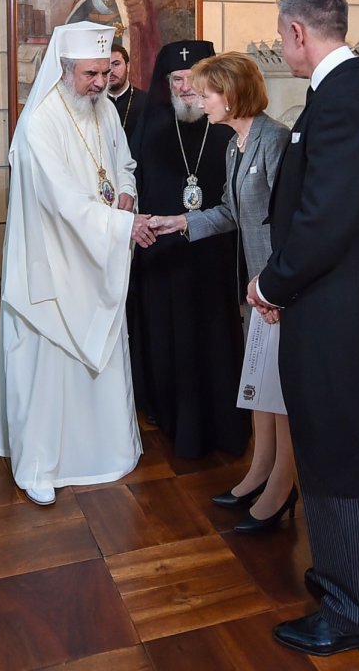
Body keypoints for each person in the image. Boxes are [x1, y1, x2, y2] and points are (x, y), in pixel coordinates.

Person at [247, 0, 359, 655]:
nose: (281, 46)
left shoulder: (345, 99)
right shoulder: (343, 91)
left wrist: (270, 283)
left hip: (340, 312)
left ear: (296, 32)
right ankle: (345, 578)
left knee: (341, 453)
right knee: (329, 445)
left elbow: (324, 222)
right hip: (335, 305)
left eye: (280, 36)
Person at [0, 22, 153, 506]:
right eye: (90, 74)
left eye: (105, 72)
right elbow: (61, 201)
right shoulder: (41, 123)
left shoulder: (104, 109)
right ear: (64, 70)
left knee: (102, 351)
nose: (101, 83)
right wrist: (122, 226)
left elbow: (124, 164)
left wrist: (126, 192)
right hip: (54, 261)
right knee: (52, 361)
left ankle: (107, 450)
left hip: (96, 254)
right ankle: (41, 465)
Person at [146, 52, 295, 532]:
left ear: (230, 95)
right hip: (255, 288)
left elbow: (291, 223)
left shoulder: (275, 140)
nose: (198, 100)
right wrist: (179, 222)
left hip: (277, 291)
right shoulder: (234, 145)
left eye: (206, 92)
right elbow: (231, 212)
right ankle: (259, 471)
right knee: (261, 387)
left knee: (282, 393)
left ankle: (282, 486)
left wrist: (275, 285)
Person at [127, 40, 246, 459]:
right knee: (166, 335)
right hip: (163, 254)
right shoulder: (150, 123)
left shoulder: (227, 125)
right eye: (175, 79)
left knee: (214, 336)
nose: (184, 88)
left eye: (192, 78)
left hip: (215, 253)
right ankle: (170, 414)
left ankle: (223, 421)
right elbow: (133, 183)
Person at [107, 43, 146, 142]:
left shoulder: (146, 103)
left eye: (116, 64)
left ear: (127, 66)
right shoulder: (94, 104)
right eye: (107, 65)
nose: (111, 71)